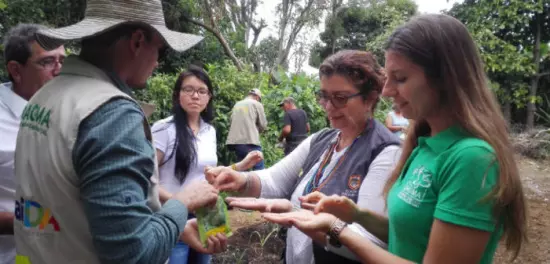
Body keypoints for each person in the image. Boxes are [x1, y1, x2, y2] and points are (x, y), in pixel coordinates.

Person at [261, 14, 527, 264]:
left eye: (400, 78)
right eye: (388, 78)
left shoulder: (471, 159)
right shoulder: (422, 147)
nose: (387, 91)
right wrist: (357, 215)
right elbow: (409, 234)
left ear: (445, 79)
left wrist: (336, 228)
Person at [13, 1, 227, 263]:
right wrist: (182, 203)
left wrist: (176, 228)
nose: (158, 61)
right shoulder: (111, 114)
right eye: (159, 49)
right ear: (137, 41)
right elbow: (132, 254)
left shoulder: (43, 97)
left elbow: (73, 211)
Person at [206, 50, 402, 264]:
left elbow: (371, 244)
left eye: (340, 98)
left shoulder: (385, 152)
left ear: (370, 97)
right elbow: (274, 180)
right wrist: (240, 179)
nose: (328, 106)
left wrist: (298, 215)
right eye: (325, 96)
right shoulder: (324, 139)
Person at [152, 66, 263, 264]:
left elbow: (208, 173)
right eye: (188, 90)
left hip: (208, 214)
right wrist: (181, 202)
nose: (195, 96)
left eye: (202, 91)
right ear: (178, 94)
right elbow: (147, 179)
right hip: (175, 215)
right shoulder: (163, 129)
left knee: (204, 261)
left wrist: (241, 166)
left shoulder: (209, 131)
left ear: (209, 97)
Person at [0, 23, 65, 263]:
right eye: (48, 62)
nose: (59, 71)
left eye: (63, 61)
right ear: (16, 70)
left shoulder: (66, 110)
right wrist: (43, 221)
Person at [225, 88, 268, 170]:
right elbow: (263, 125)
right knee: (259, 171)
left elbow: (231, 122)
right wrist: (259, 130)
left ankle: (238, 182)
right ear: (257, 97)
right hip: (250, 142)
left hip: (237, 143)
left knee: (241, 169)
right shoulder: (257, 104)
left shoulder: (237, 105)